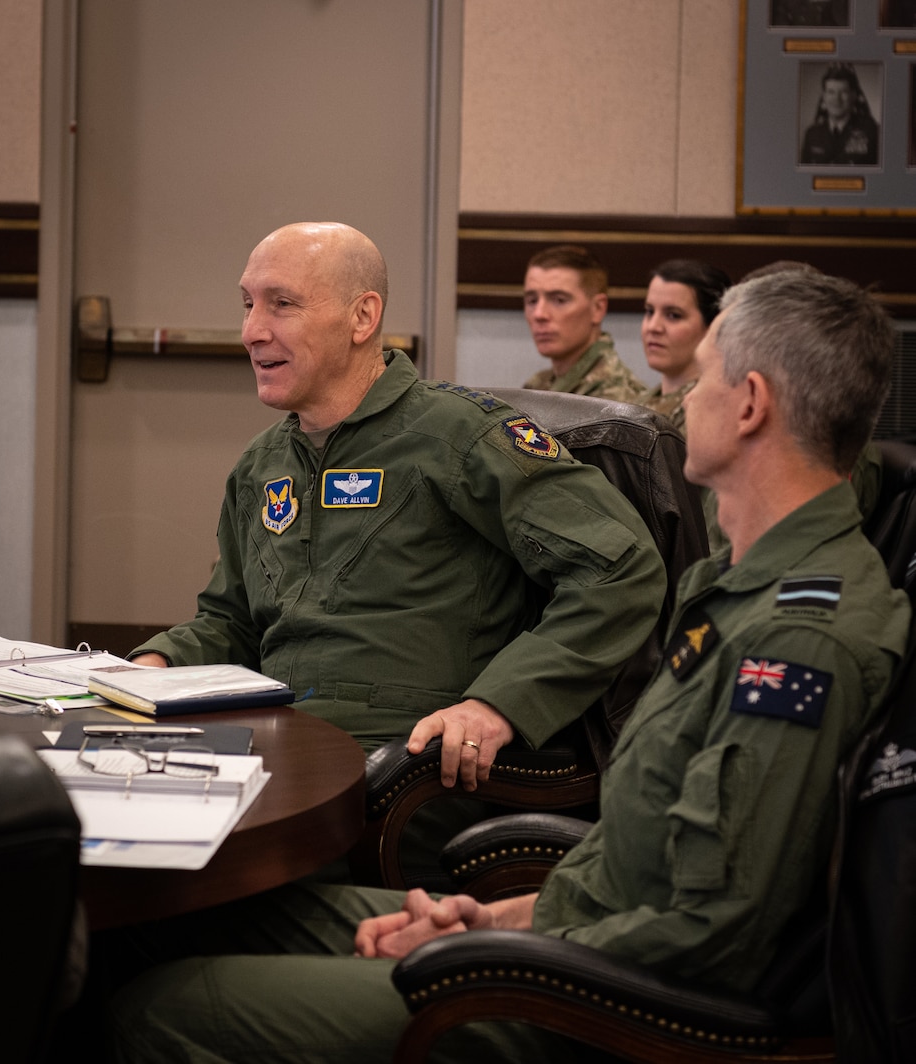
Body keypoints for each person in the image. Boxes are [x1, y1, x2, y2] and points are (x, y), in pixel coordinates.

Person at [109, 269, 910, 1064]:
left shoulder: (796, 643)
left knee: (154, 1012)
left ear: (750, 404)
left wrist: (496, 956)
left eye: (699, 378)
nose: (679, 402)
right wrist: (490, 920)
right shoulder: (737, 594)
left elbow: (711, 931)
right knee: (162, 917)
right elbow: (638, 856)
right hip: (556, 936)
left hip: (583, 1001)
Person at [129, 222, 665, 800]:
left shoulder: (460, 437)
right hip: (271, 746)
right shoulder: (262, 464)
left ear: (363, 317)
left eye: (282, 305)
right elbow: (231, 621)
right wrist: (152, 666)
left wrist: (498, 704)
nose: (252, 331)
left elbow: (620, 568)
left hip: (404, 767)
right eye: (248, 305)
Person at [521, 244, 647, 401]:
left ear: (597, 308)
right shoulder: (539, 385)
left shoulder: (616, 399)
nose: (539, 314)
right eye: (532, 301)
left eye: (559, 300)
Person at [636, 258, 731, 435]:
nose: (653, 327)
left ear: (713, 327)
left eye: (673, 315)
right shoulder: (636, 405)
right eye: (649, 311)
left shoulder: (714, 413)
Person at [800, 63, 880, 167]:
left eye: (843, 92)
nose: (837, 99)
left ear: (854, 95)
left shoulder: (872, 132)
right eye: (831, 92)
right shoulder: (811, 134)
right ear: (824, 96)